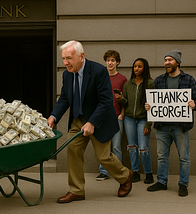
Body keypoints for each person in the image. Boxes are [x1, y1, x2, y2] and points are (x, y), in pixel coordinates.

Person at [47, 40, 133, 203]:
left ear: (82, 56)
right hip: (78, 120)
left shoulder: (98, 71)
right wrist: (53, 117)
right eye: (63, 58)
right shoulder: (66, 74)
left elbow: (106, 100)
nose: (66, 63)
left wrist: (92, 122)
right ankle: (77, 190)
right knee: (72, 149)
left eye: (69, 58)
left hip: (99, 120)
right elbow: (64, 98)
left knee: (103, 157)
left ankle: (125, 175)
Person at [146, 49, 196, 196]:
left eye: (170, 60)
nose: (167, 62)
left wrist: (193, 104)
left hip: (181, 127)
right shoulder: (159, 80)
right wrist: (149, 106)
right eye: (165, 60)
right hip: (162, 126)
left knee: (184, 157)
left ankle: (183, 184)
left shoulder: (189, 79)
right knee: (161, 156)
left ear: (177, 62)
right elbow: (153, 101)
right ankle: (162, 182)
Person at [117, 58, 154, 184]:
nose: (136, 69)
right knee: (132, 147)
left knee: (143, 147)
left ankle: (148, 173)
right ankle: (135, 172)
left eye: (139, 66)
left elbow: (153, 106)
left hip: (143, 119)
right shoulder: (128, 84)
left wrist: (149, 123)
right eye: (135, 66)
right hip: (129, 119)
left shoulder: (150, 83)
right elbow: (126, 103)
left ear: (145, 68)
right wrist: (120, 98)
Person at [96, 50, 127, 181]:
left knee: (116, 146)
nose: (110, 63)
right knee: (103, 145)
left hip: (116, 116)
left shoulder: (123, 79)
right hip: (102, 117)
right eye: (108, 60)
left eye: (113, 60)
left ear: (117, 62)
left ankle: (117, 171)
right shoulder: (100, 77)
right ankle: (103, 171)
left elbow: (126, 99)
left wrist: (122, 114)